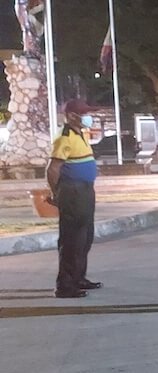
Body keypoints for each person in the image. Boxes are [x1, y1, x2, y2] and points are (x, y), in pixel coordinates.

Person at [46, 98, 102, 298]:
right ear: (71, 116)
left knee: (85, 237)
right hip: (72, 192)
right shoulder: (64, 137)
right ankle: (65, 285)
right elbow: (52, 169)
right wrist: (56, 193)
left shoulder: (80, 134)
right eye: (84, 114)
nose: (88, 117)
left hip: (85, 191)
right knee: (72, 239)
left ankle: (79, 277)